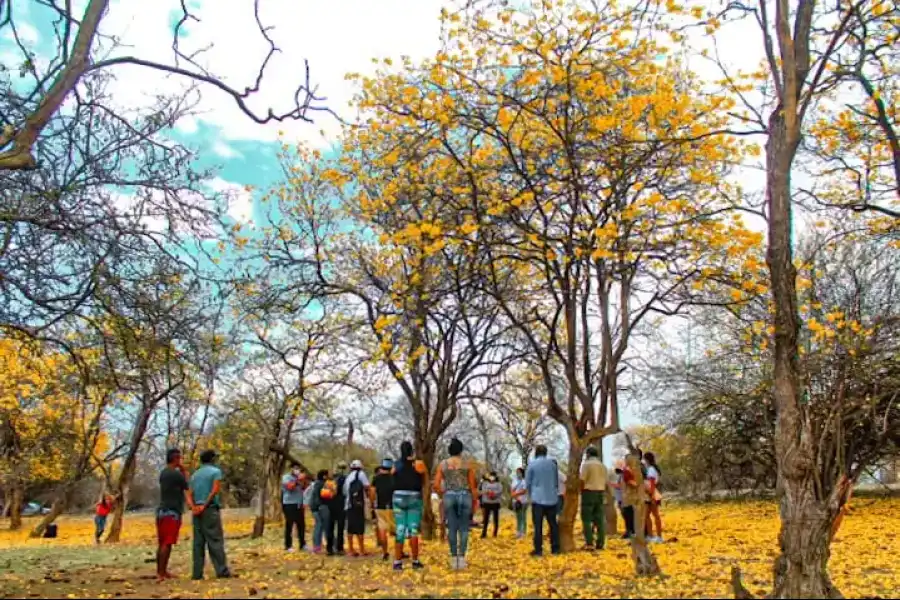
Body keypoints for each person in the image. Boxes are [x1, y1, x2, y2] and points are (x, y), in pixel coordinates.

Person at [433, 437, 478, 570]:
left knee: (452, 528)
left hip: (449, 495)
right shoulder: (467, 464)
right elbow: (472, 486)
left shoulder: (443, 465)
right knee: (464, 528)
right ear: (461, 450)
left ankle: (454, 560)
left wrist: (444, 494)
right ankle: (462, 559)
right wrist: (474, 500)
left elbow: (436, 485)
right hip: (465, 496)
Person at [190, 450, 232, 580]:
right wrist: (205, 505)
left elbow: (190, 492)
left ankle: (197, 573)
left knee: (198, 542)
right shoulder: (215, 472)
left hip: (196, 510)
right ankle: (221, 570)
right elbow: (214, 490)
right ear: (212, 459)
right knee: (215, 540)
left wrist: (194, 507)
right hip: (209, 509)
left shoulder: (195, 475)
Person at [157, 448, 192, 581]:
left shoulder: (163, 473)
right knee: (167, 542)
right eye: (180, 458)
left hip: (161, 511)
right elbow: (187, 485)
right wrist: (183, 470)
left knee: (163, 543)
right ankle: (161, 574)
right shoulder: (175, 474)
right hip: (172, 513)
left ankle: (162, 570)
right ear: (176, 459)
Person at [392, 440, 426, 570]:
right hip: (414, 497)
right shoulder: (418, 464)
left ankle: (397, 562)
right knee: (413, 530)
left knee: (400, 529)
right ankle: (415, 561)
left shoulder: (395, 465)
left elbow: (392, 478)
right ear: (412, 450)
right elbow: (424, 480)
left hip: (398, 497)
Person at [525, 445, 560, 556]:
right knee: (553, 524)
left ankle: (538, 550)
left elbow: (528, 483)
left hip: (538, 499)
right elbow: (556, 482)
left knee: (538, 526)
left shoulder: (532, 464)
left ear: (536, 452)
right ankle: (555, 548)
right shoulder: (553, 465)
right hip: (552, 499)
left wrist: (530, 495)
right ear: (546, 452)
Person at [580, 446, 608, 550]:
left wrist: (581, 491)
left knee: (586, 519)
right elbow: (605, 480)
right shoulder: (603, 466)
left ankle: (589, 543)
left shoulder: (586, 465)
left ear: (588, 454)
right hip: (600, 492)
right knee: (599, 519)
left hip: (588, 492)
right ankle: (600, 543)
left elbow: (582, 480)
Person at [344, 459, 370, 556]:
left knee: (350, 527)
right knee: (359, 526)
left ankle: (351, 550)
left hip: (349, 504)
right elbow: (367, 486)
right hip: (358, 504)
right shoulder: (361, 474)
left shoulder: (348, 477)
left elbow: (345, 491)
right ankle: (362, 550)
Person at [370, 459, 395, 560]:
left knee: (382, 530)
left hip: (380, 507)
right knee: (397, 530)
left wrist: (372, 504)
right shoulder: (393, 478)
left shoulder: (376, 478)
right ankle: (400, 551)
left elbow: (372, 493)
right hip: (393, 507)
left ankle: (385, 552)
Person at [281, 462, 306, 552]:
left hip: (299, 503)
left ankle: (302, 544)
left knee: (301, 525)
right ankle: (288, 546)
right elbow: (289, 487)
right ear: (291, 469)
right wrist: (297, 480)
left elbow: (303, 488)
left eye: (298, 468)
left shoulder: (300, 478)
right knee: (289, 524)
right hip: (289, 504)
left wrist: (303, 481)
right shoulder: (286, 477)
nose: (297, 470)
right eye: (295, 468)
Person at [309, 469, 334, 554]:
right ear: (324, 476)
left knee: (318, 526)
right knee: (326, 526)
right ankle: (330, 545)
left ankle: (316, 546)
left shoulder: (316, 483)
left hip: (314, 507)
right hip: (322, 506)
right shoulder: (323, 484)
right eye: (328, 474)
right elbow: (326, 496)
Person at [643, 452, 663, 543]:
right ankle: (651, 536)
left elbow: (652, 483)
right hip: (652, 493)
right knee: (647, 515)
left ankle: (659, 536)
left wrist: (651, 496)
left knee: (655, 515)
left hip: (652, 494)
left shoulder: (651, 469)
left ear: (647, 460)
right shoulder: (653, 468)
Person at [330, 461, 348, 555]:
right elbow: (346, 492)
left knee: (331, 526)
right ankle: (340, 548)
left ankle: (331, 547)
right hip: (341, 504)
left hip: (331, 504)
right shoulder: (346, 479)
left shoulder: (331, 480)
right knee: (340, 527)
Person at [620, 457, 640, 540]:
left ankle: (631, 531)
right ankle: (630, 531)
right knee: (629, 514)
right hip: (630, 496)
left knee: (629, 514)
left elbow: (630, 481)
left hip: (629, 496)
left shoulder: (628, 471)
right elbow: (630, 481)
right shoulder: (629, 471)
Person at [480, 471, 502, 539]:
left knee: (496, 518)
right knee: (486, 519)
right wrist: (488, 493)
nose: (491, 477)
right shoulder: (485, 483)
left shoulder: (498, 484)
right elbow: (483, 490)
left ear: (495, 477)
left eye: (493, 476)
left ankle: (495, 533)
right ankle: (484, 533)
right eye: (490, 476)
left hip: (495, 503)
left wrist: (493, 494)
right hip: (487, 503)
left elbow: (500, 491)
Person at [610, 460, 627, 538]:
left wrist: (610, 484)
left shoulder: (623, 476)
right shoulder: (621, 475)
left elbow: (620, 486)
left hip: (622, 498)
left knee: (625, 515)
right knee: (624, 515)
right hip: (621, 498)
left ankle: (629, 531)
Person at [511, 467, 528, 539]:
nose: (518, 473)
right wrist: (515, 497)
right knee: (518, 517)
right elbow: (511, 490)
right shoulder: (514, 481)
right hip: (516, 501)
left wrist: (516, 494)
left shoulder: (525, 481)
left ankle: (523, 532)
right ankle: (518, 532)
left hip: (523, 501)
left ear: (522, 473)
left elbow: (524, 491)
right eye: (517, 472)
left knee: (523, 517)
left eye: (519, 472)